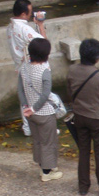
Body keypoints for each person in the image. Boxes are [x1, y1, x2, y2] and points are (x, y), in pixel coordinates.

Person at [66, 38, 99, 196]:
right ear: (97, 57)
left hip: (79, 116)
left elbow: (69, 93)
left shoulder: (72, 71)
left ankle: (83, 186)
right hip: (97, 118)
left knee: (83, 150)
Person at [18, 37, 62, 182]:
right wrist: (35, 108)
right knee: (48, 142)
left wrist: (26, 107)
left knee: (37, 140)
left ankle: (42, 164)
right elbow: (45, 94)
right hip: (44, 113)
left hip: (30, 114)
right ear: (46, 55)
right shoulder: (44, 71)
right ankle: (47, 172)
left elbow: (20, 90)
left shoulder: (24, 67)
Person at [7, 0, 46, 137]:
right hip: (30, 68)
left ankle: (28, 128)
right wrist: (40, 25)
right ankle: (41, 127)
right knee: (38, 96)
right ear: (24, 14)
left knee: (25, 99)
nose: (31, 14)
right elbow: (43, 45)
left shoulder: (10, 26)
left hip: (20, 66)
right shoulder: (23, 28)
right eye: (30, 12)